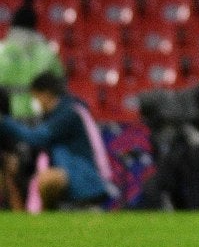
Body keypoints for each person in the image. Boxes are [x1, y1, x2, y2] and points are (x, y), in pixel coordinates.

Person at [0, 71, 114, 211]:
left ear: (46, 94)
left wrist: (4, 121)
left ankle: (77, 207)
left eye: (35, 97)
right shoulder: (60, 113)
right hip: (73, 171)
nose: (35, 102)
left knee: (47, 180)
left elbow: (36, 137)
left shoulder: (67, 115)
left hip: (83, 177)